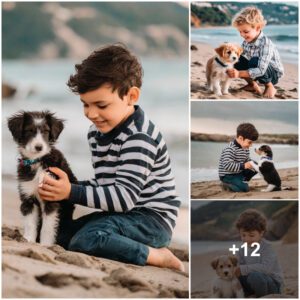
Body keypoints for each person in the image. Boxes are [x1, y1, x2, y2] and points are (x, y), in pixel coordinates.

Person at [38, 44, 184, 271]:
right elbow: (107, 185)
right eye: (85, 104)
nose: (91, 114)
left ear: (131, 96)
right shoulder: (97, 132)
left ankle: (157, 256)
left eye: (101, 105)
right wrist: (66, 187)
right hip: (122, 214)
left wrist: (71, 192)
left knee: (87, 240)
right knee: (58, 233)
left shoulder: (138, 138)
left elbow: (124, 197)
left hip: (151, 220)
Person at [227, 6, 284, 98]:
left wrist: (239, 73)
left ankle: (270, 86)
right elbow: (240, 54)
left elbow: (261, 70)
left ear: (257, 28)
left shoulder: (265, 44)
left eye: (245, 31)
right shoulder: (247, 41)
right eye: (240, 32)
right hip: (256, 68)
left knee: (254, 61)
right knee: (236, 59)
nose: (242, 35)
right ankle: (252, 85)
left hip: (272, 73)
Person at [235, 209, 284, 297]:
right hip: (252, 282)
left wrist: (242, 269)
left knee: (255, 276)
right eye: (243, 235)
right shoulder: (241, 249)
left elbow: (266, 268)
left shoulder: (267, 247)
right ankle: (247, 295)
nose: (247, 239)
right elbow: (238, 268)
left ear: (261, 233)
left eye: (251, 235)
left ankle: (262, 296)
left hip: (272, 284)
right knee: (234, 277)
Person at [219, 123, 258, 192]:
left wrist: (252, 163)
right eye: (249, 142)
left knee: (256, 166)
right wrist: (244, 166)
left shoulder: (245, 148)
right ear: (241, 138)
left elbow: (246, 159)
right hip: (228, 175)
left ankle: (242, 180)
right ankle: (226, 184)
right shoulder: (230, 149)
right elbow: (227, 165)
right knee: (244, 189)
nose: (251, 145)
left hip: (238, 172)